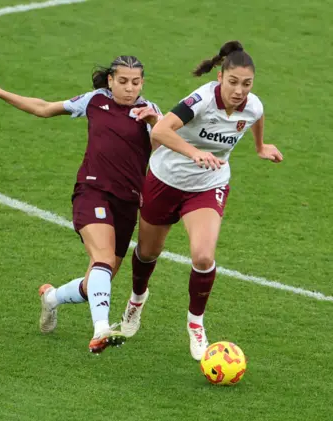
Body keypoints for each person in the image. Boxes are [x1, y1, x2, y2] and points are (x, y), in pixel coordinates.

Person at [0, 55, 161, 354]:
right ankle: (101, 329)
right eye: (122, 81)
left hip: (127, 203)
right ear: (110, 81)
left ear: (142, 83)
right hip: (92, 191)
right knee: (102, 260)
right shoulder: (95, 101)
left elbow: (165, 155)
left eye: (135, 82)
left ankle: (51, 298)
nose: (129, 88)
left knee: (98, 280)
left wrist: (155, 124)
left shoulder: (150, 114)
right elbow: (44, 108)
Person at [118, 41, 283, 360]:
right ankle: (136, 301)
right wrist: (195, 153)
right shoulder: (200, 101)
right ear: (221, 77)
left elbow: (256, 118)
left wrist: (260, 147)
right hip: (165, 179)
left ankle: (196, 324)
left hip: (208, 185)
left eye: (246, 84)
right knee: (148, 251)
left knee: (204, 257)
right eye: (233, 82)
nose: (239, 91)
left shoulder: (253, 106)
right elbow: (160, 132)